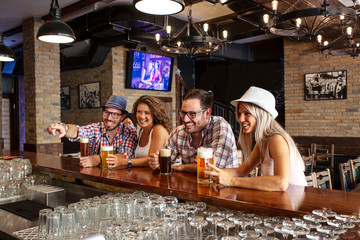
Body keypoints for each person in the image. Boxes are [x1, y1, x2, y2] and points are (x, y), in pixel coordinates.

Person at [206, 86, 307, 191]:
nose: (240, 119)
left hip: (295, 204)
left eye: (247, 113)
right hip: (281, 202)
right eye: (239, 113)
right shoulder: (263, 141)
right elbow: (242, 170)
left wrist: (232, 181)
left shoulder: (276, 139)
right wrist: (213, 171)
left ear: (261, 114)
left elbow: (281, 183)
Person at [149, 89, 238, 172]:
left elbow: (214, 167)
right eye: (183, 113)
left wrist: (183, 167)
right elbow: (165, 162)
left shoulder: (220, 126)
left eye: (192, 114)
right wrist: (156, 162)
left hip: (224, 186)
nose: (185, 119)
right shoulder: (178, 133)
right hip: (192, 186)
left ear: (207, 113)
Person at [47, 95, 137, 168]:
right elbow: (77, 131)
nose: (109, 118)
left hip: (119, 180)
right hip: (94, 180)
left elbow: (125, 155)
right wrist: (64, 127)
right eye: (106, 112)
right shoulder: (96, 128)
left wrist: (99, 159)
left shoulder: (128, 131)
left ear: (122, 117)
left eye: (115, 115)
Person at [130, 95, 172, 166]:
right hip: (144, 175)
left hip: (165, 174)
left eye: (147, 113)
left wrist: (123, 162)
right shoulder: (142, 130)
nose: (142, 116)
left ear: (154, 114)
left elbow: (150, 160)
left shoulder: (159, 130)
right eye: (139, 111)